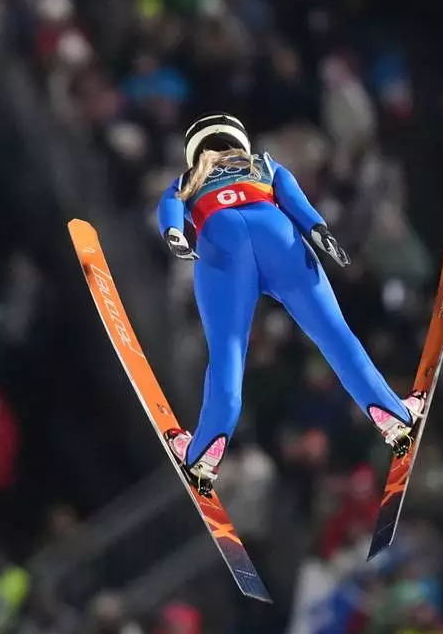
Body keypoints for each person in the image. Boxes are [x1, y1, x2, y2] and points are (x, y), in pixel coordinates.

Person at [157, 113, 424, 488]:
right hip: (278, 236)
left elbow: (169, 208)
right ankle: (391, 415)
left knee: (228, 353)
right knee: (335, 334)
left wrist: (174, 234)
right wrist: (320, 233)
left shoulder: (188, 179)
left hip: (220, 241)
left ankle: (205, 451)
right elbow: (298, 204)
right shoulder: (263, 164)